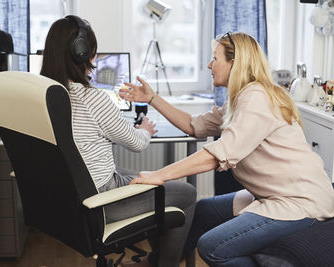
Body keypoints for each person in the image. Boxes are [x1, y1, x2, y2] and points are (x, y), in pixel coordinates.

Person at [119, 32, 334, 266]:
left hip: (299, 201)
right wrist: (152, 99)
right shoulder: (239, 99)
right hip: (271, 194)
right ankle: (159, 263)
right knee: (201, 211)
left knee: (212, 246)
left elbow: (219, 153)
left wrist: (158, 175)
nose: (210, 65)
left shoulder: (257, 97)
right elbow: (194, 125)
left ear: (235, 63)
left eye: (215, 59)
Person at [40, 16, 196, 267]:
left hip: (69, 197)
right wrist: (145, 129)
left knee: (147, 176)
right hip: (101, 202)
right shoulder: (93, 99)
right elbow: (137, 144)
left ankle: (152, 262)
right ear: (83, 53)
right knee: (187, 193)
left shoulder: (42, 96)